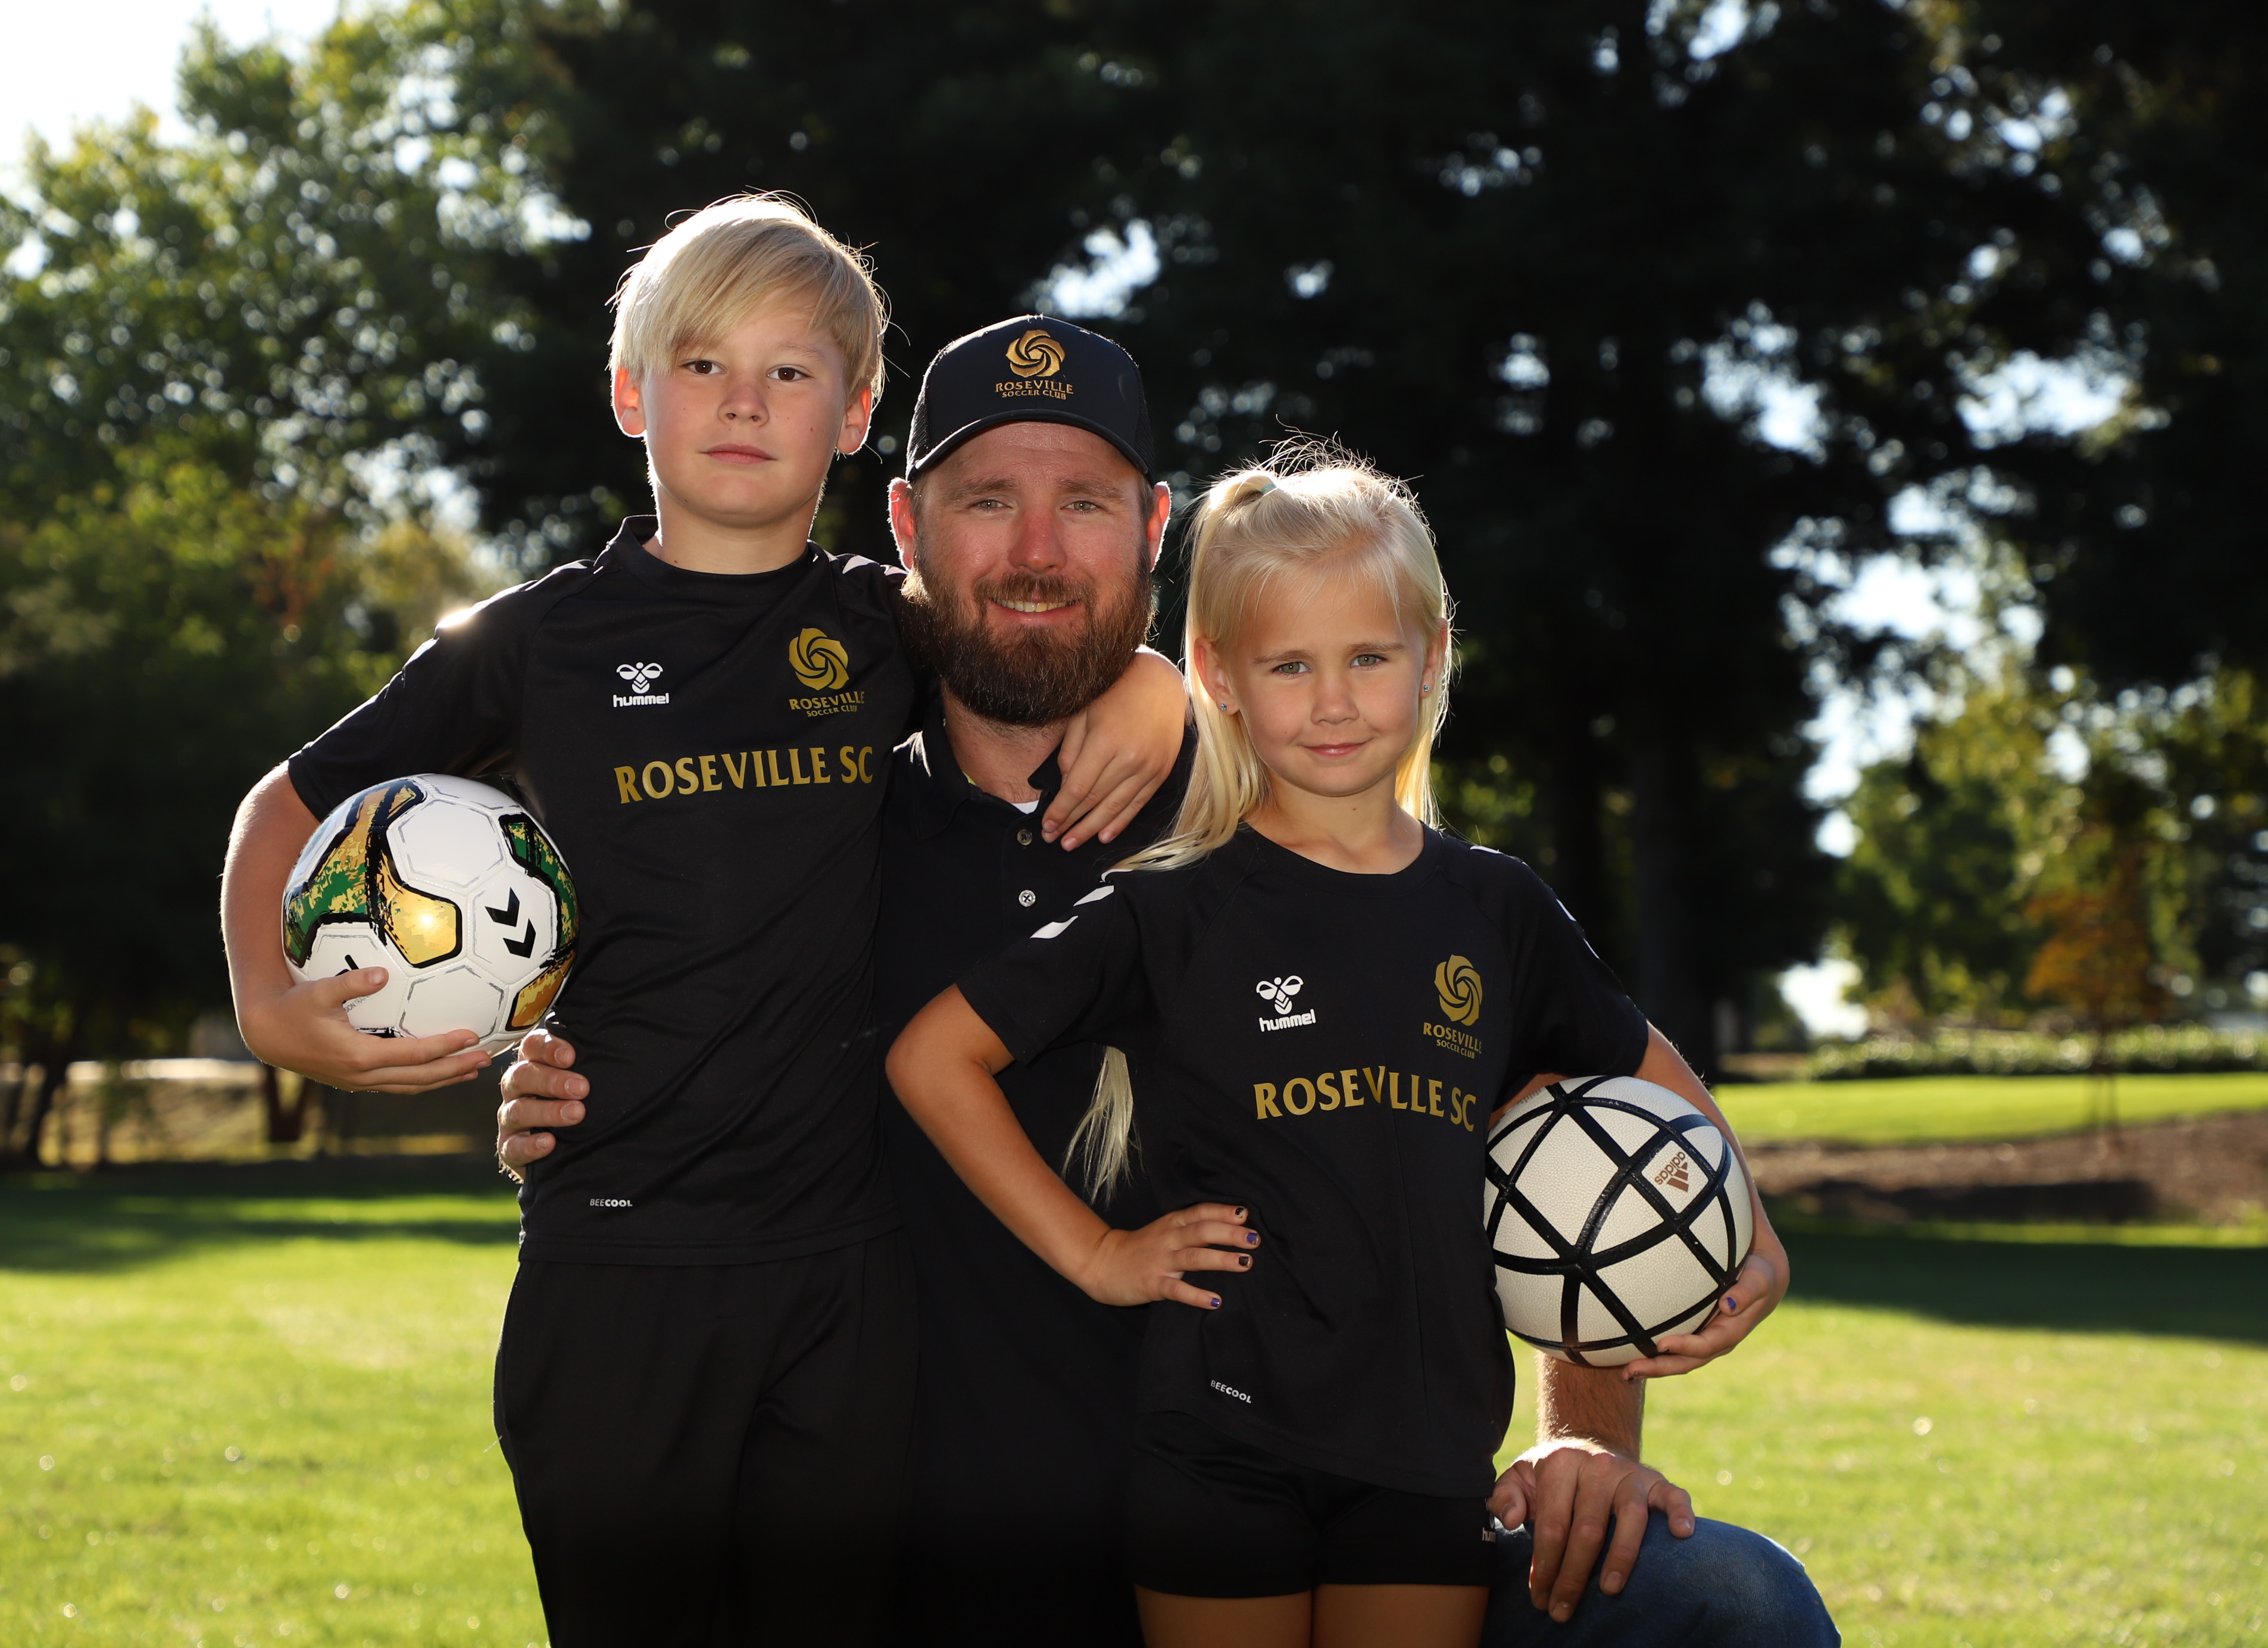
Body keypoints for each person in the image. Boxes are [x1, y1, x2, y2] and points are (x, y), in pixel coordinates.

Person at [501, 388, 1836, 1640]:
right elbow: (666, 933)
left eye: (1083, 501)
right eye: (986, 500)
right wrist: (563, 1074)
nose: (1036, 548)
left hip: (1366, 1501)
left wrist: (1588, 1426)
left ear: (1154, 530)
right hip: (980, 1558)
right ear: (906, 528)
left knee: (1730, 1600)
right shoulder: (827, 827)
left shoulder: (1301, 809)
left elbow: (1562, 1101)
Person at [216, 202, 1185, 1646]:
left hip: (841, 1275)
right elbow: (283, 805)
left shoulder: (882, 628)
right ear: (629, 393)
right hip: (617, 1262)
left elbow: (1038, 633)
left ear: (853, 416)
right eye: (701, 363)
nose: (743, 402)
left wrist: (1157, 683)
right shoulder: (533, 643)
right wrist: (265, 1003)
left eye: (790, 372)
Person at [884, 448, 1824, 1647]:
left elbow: (1656, 1096)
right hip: (1219, 1449)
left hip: (1424, 1462)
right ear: (1218, 676)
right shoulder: (1174, 907)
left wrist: (1757, 1247)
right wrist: (1099, 1255)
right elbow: (933, 1057)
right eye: (1290, 666)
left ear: (1432, 657)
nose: (1332, 702)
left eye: (1369, 659)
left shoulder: (1498, 911)